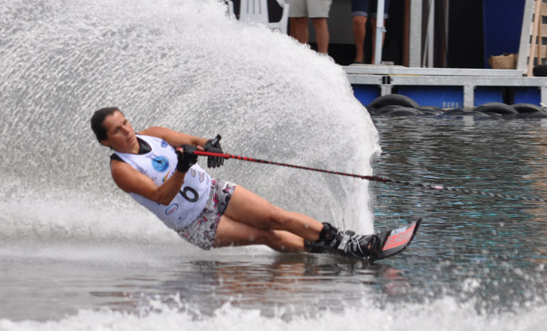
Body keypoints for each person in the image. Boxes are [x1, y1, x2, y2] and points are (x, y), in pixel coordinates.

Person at [90, 107, 379, 258]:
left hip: (213, 191)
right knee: (269, 236)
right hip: (195, 223)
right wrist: (182, 166)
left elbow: (193, 142)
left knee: (274, 216)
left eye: (125, 123)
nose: (126, 131)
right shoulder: (121, 169)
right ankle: (321, 251)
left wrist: (210, 145)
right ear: (105, 142)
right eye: (117, 130)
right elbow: (162, 196)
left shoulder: (152, 134)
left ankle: (346, 242)